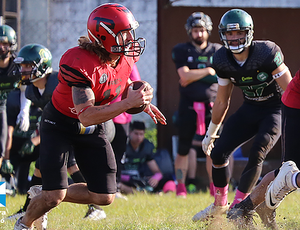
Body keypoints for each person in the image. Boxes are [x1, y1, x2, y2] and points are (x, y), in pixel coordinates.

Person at [14, 3, 166, 229]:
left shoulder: (123, 57)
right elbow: (86, 115)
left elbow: (118, 81)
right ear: (105, 37)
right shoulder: (80, 62)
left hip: (93, 125)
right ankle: (24, 223)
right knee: (54, 196)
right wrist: (127, 103)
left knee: (104, 195)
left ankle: (43, 194)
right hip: (60, 124)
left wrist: (141, 102)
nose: (130, 39)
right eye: (124, 34)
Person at [192, 8, 292, 222]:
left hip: (274, 109)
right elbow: (221, 100)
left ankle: (239, 206)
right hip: (250, 108)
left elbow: (290, 91)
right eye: (229, 34)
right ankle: (219, 205)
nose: (234, 38)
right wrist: (211, 132)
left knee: (257, 152)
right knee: (218, 153)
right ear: (222, 35)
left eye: (239, 33)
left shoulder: (266, 53)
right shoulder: (221, 59)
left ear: (249, 33)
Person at [7, 44, 112, 225]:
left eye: (28, 66)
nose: (23, 70)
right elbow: (50, 118)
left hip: (91, 126)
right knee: (41, 164)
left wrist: (38, 139)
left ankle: (95, 206)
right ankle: (29, 208)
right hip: (67, 127)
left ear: (42, 66)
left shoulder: (59, 82)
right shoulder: (32, 90)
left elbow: (81, 109)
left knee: (70, 163)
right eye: (22, 66)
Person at [227, 69, 300, 229]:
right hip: (297, 105)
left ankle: (246, 208)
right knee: (289, 168)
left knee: (288, 169)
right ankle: (244, 209)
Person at [171, 12, 222, 198]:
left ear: (208, 30)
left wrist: (195, 74)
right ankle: (180, 188)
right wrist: (208, 71)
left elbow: (220, 75)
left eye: (201, 30)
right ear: (189, 31)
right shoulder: (181, 50)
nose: (199, 34)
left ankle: (214, 186)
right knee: (183, 148)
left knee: (213, 149)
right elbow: (183, 77)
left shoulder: (218, 50)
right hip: (188, 106)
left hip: (213, 106)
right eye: (195, 30)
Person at [0, 25, 31, 176]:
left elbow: (26, 89)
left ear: (12, 45)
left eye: (5, 43)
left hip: (2, 108)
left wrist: (24, 111)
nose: (1, 47)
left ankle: (0, 200)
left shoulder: (17, 66)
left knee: (1, 151)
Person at [111, 63, 141, 199]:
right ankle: (101, 187)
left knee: (118, 155)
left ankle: (115, 188)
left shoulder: (129, 63)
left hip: (122, 116)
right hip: (103, 114)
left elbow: (137, 85)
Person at [119, 121, 174, 194]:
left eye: (141, 134)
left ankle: (168, 194)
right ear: (130, 132)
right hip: (124, 178)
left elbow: (157, 171)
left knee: (168, 178)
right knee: (116, 183)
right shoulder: (122, 146)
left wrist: (156, 178)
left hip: (138, 178)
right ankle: (137, 192)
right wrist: (125, 178)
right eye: (136, 134)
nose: (139, 137)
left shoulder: (146, 147)